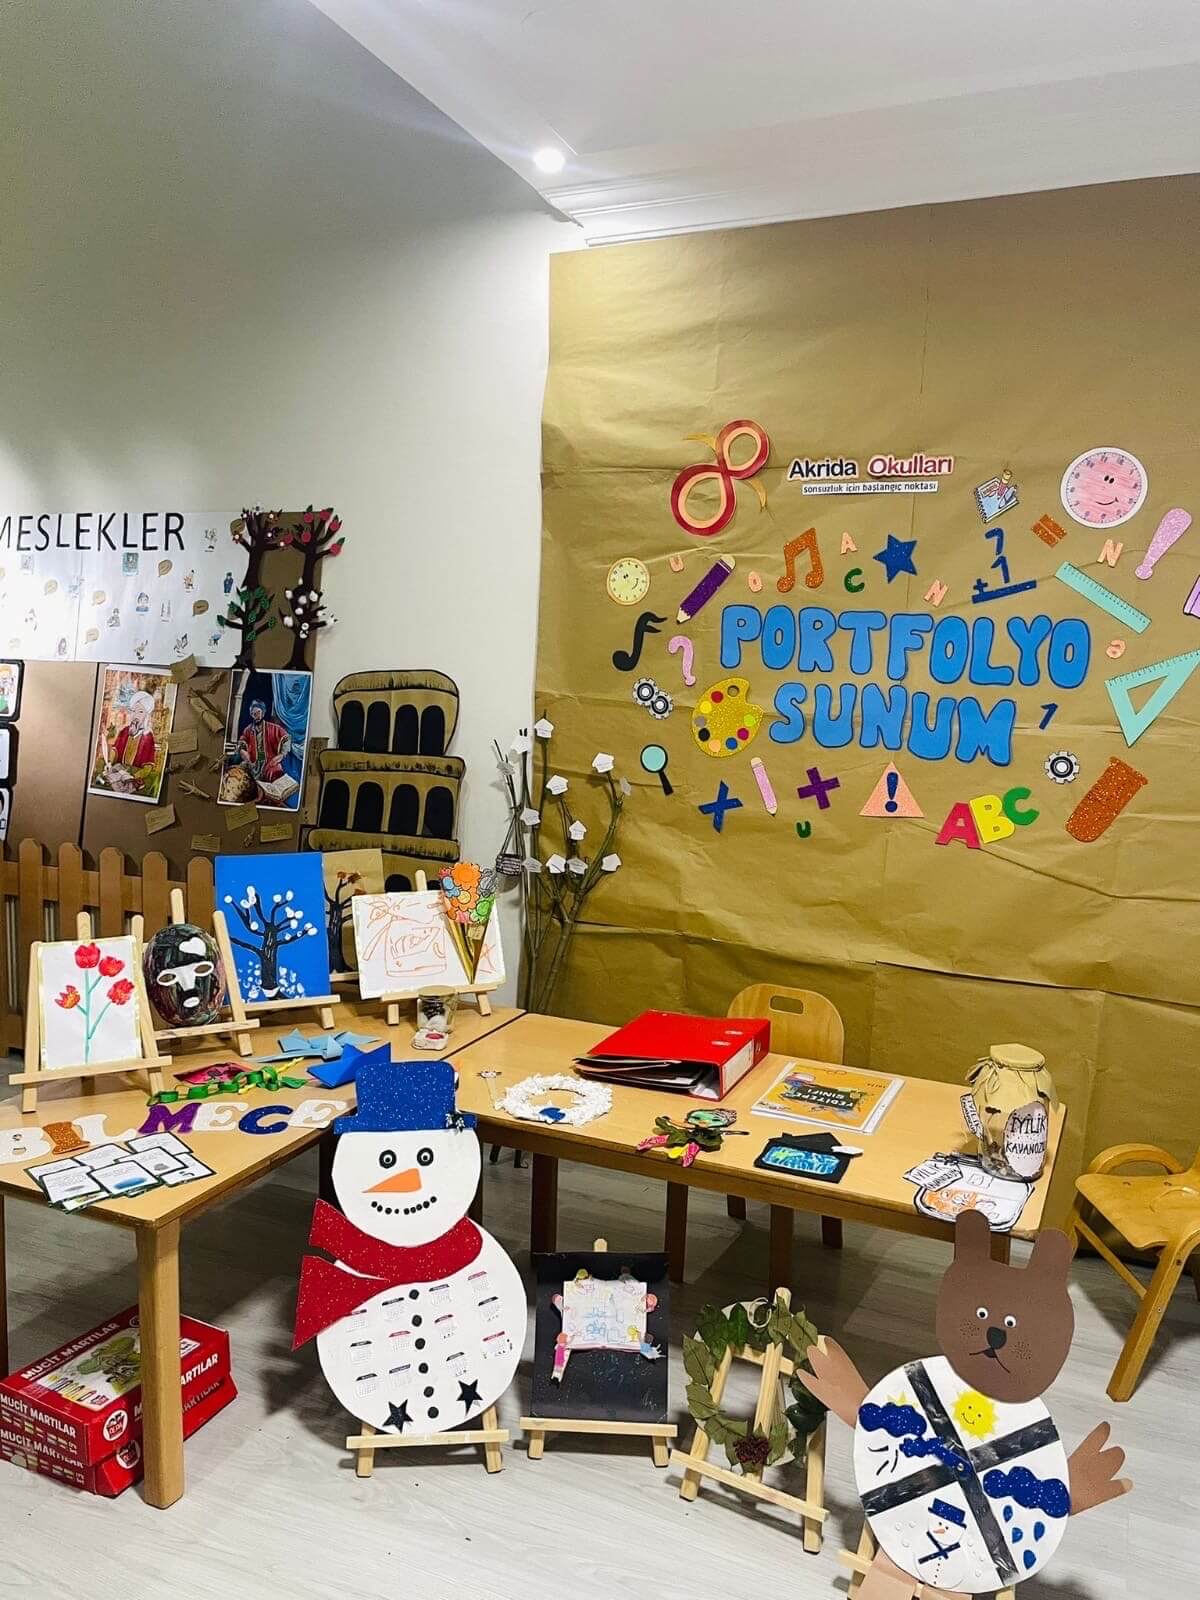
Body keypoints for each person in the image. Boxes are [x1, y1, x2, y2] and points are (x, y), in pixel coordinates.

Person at [235, 697, 291, 783]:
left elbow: (286, 738)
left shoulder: (273, 728)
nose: (256, 715)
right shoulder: (248, 729)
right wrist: (242, 751)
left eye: (258, 712)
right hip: (253, 762)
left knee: (276, 771)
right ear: (251, 714)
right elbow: (242, 741)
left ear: (263, 713)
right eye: (253, 713)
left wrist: (282, 755)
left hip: (269, 761)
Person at [112, 691, 157, 769]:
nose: (135, 716)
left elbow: (148, 764)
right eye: (133, 711)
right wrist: (109, 761)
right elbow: (115, 751)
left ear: (146, 716)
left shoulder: (148, 736)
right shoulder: (124, 731)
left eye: (140, 712)